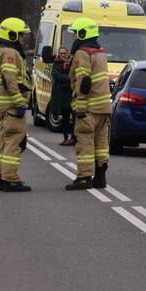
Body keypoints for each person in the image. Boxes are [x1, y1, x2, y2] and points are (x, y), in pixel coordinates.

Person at [65, 18, 112, 191]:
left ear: (83, 34)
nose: (74, 37)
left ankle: (84, 177)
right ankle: (100, 176)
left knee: (84, 141)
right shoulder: (100, 52)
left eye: (76, 33)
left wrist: (81, 106)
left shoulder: (82, 53)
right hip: (103, 107)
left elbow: (83, 80)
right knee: (101, 142)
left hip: (89, 107)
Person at [0, 18, 33, 192]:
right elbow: (10, 79)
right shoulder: (10, 52)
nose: (24, 39)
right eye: (22, 35)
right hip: (12, 106)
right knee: (14, 143)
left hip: (4, 106)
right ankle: (11, 179)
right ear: (13, 34)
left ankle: (2, 177)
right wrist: (19, 101)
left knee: (4, 142)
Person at [51, 47, 76, 146]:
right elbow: (56, 75)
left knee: (74, 118)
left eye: (64, 53)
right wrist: (68, 78)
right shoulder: (56, 63)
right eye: (61, 53)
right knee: (65, 118)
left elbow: (74, 75)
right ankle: (65, 138)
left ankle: (73, 138)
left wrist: (67, 77)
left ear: (68, 53)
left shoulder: (72, 63)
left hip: (71, 93)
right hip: (61, 95)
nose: (62, 55)